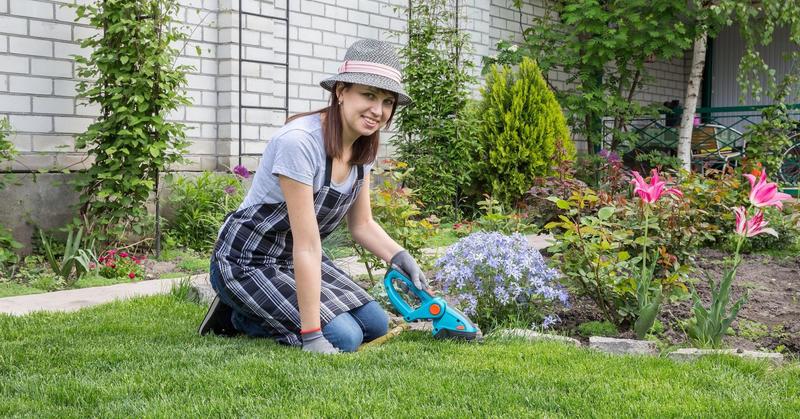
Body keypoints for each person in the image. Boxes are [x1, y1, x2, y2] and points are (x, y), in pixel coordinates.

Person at [199, 39, 428, 355]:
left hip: (295, 259)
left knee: (376, 324)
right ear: (341, 91)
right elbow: (307, 245)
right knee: (344, 337)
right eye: (369, 95)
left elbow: (362, 224)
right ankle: (239, 314)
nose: (378, 111)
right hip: (247, 261)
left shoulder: (363, 147)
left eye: (387, 101)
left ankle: (259, 307)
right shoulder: (300, 143)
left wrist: (399, 256)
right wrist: (311, 335)